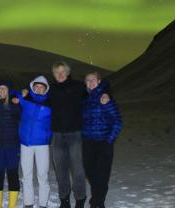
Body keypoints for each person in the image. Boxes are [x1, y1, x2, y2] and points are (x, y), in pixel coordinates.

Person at [50, 61, 110, 208]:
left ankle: (80, 200)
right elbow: (35, 93)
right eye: (57, 72)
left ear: (68, 73)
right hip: (57, 135)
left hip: (75, 134)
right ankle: (64, 200)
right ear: (53, 74)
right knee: (61, 171)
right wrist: (22, 95)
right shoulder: (50, 89)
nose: (60, 74)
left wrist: (107, 93)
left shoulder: (78, 86)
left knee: (78, 170)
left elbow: (97, 88)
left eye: (63, 71)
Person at [82, 72, 122, 208]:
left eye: (93, 80)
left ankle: (98, 203)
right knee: (91, 174)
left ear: (99, 81)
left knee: (102, 176)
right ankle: (96, 200)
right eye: (88, 81)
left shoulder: (105, 98)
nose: (90, 82)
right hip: (88, 143)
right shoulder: (85, 100)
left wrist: (109, 140)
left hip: (103, 144)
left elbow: (117, 121)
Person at [12, 75, 52, 208]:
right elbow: (12, 92)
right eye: (36, 86)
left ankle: (42, 204)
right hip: (26, 143)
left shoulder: (51, 103)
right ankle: (28, 203)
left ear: (46, 89)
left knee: (42, 176)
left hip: (42, 144)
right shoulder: (26, 99)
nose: (39, 89)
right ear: (32, 87)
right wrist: (19, 94)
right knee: (27, 175)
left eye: (42, 87)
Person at [0, 80, 21, 208]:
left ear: (9, 91)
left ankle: (12, 205)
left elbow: (21, 100)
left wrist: (15, 97)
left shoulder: (14, 105)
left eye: (4, 89)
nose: (1, 91)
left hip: (12, 146)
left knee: (13, 175)